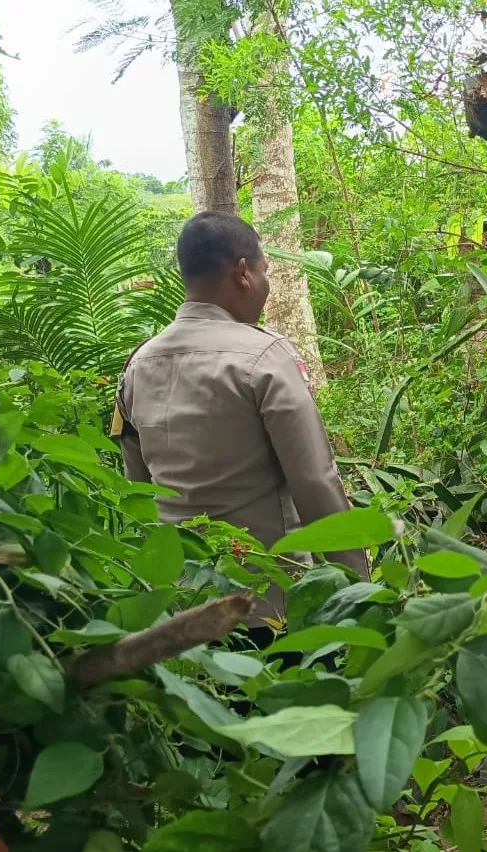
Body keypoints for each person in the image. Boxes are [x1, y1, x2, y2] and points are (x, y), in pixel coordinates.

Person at [113, 211, 367, 640]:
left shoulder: (138, 364)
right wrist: (359, 588)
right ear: (243, 272)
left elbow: (137, 487)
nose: (267, 285)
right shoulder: (265, 357)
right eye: (265, 271)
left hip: (178, 607)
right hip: (266, 607)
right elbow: (314, 481)